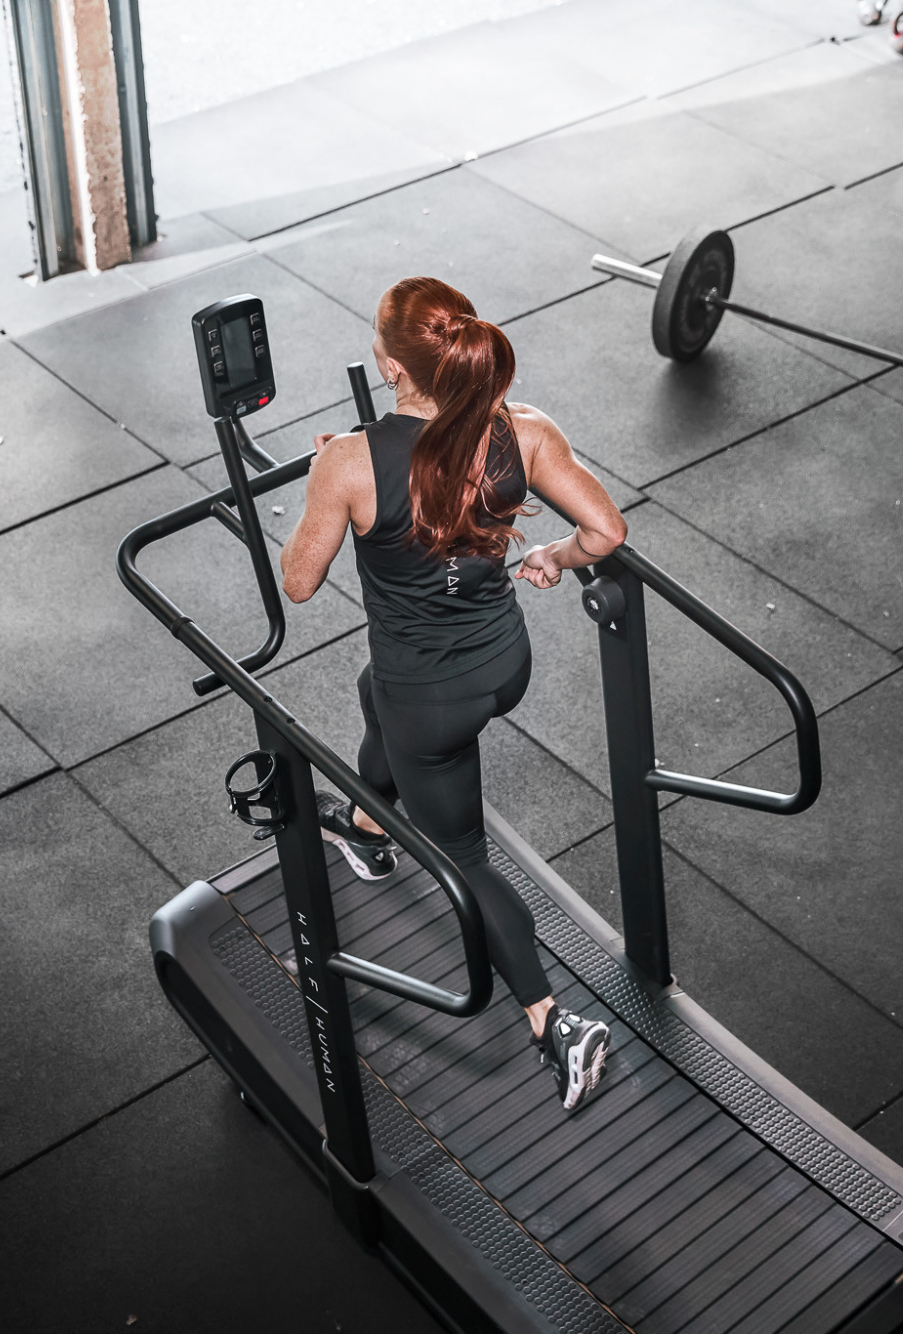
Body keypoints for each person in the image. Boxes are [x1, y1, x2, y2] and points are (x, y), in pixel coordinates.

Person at [279, 276, 629, 1112]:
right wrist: (553, 557)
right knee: (375, 694)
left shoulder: (350, 462)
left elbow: (297, 583)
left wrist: (331, 479)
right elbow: (605, 532)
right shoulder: (527, 430)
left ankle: (554, 1025)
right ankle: (367, 825)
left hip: (430, 695)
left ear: (393, 366)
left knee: (463, 855)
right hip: (503, 663)